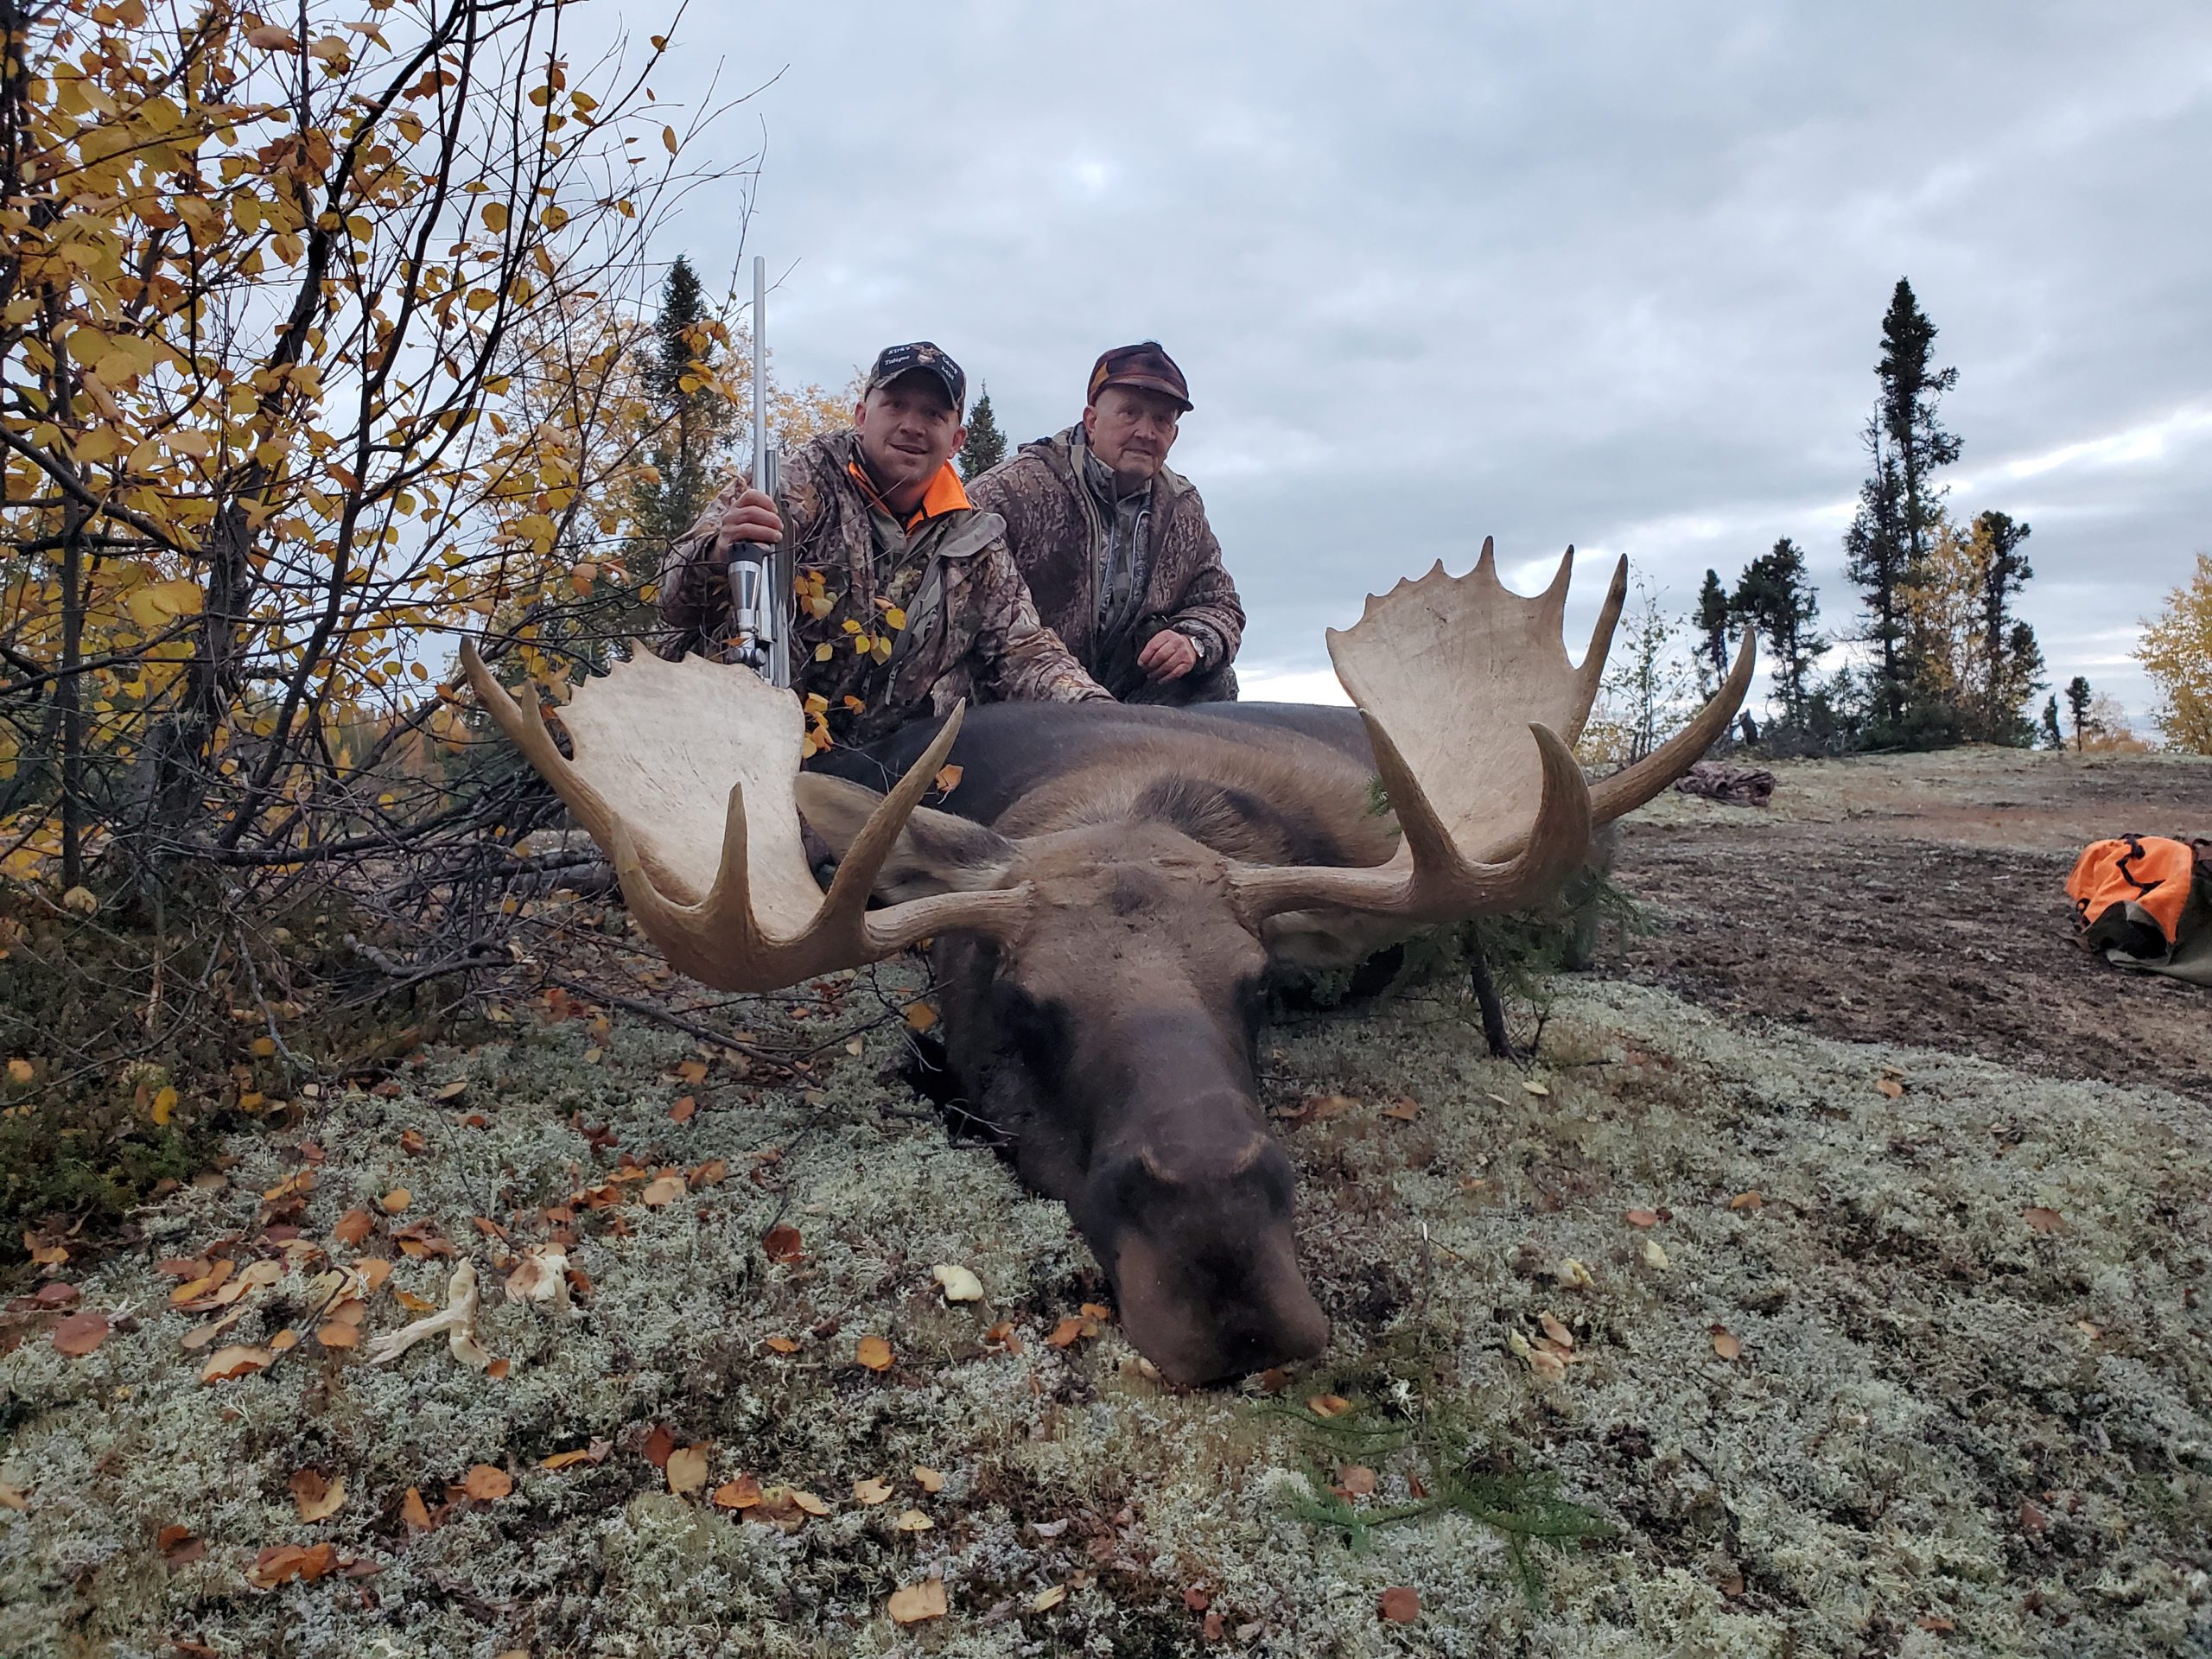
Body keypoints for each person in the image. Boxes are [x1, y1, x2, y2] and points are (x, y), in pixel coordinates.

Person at [657, 342, 1109, 753]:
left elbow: (1025, 654)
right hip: (728, 739)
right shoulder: (790, 487)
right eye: (895, 405)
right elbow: (672, 599)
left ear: (956, 440)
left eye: (934, 414)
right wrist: (718, 555)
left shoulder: (975, 543)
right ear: (861, 414)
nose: (912, 425)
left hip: (866, 764)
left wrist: (1101, 717)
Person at [967, 341, 1244, 704]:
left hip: (1123, 701)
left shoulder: (1182, 508)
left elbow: (1221, 604)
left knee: (1214, 678)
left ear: (1173, 435)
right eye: (1130, 413)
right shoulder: (1011, 491)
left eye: (1161, 420)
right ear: (1092, 421)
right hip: (1025, 695)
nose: (1147, 432)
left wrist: (1190, 641)